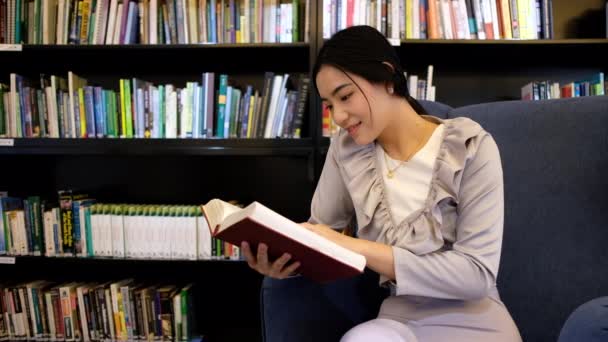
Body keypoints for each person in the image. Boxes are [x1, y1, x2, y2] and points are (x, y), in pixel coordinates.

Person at [240, 25, 522, 341]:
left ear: (387, 77)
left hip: (475, 318)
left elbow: (475, 276)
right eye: (330, 104)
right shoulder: (346, 151)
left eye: (345, 95)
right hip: (399, 318)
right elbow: (323, 238)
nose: (339, 116)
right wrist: (286, 262)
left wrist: (352, 245)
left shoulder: (470, 146)